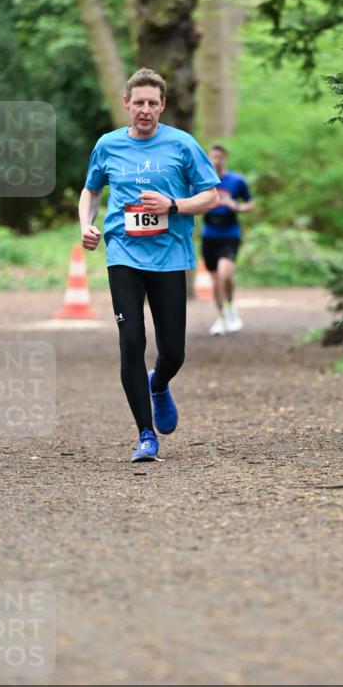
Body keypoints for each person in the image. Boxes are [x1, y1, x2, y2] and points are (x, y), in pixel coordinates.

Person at [79, 67, 219, 462]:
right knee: (131, 342)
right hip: (123, 253)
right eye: (138, 102)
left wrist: (173, 205)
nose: (145, 109)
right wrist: (86, 226)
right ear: (126, 104)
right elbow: (90, 191)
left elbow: (210, 196)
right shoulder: (107, 145)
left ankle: (159, 383)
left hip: (170, 256)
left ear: (163, 106)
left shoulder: (182, 144)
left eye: (152, 103)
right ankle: (145, 434)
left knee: (173, 351)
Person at [202, 144, 254, 335]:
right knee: (216, 281)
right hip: (209, 234)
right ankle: (221, 318)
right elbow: (191, 201)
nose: (216, 161)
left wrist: (237, 207)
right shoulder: (203, 180)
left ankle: (231, 309)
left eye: (220, 157)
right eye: (213, 157)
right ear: (208, 159)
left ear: (225, 159)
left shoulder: (236, 181)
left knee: (225, 275)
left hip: (230, 233)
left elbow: (251, 203)